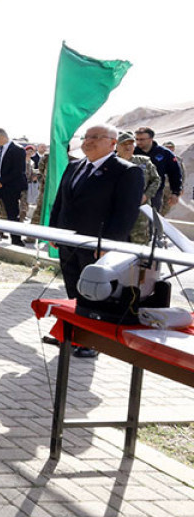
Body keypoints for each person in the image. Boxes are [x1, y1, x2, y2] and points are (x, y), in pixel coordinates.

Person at [50, 124, 145, 355]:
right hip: (68, 242)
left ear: (112, 143)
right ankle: (73, 333)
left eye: (96, 137)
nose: (88, 141)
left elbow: (125, 214)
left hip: (98, 246)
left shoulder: (126, 171)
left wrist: (108, 245)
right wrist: (53, 231)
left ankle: (92, 341)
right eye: (86, 137)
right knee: (73, 289)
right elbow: (61, 201)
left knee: (95, 295)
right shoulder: (74, 166)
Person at [115, 131, 161, 244]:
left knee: (140, 242)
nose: (128, 147)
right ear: (117, 147)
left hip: (140, 209)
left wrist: (146, 196)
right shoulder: (111, 163)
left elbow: (156, 180)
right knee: (116, 241)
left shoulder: (144, 161)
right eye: (124, 144)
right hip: (117, 210)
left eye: (130, 143)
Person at [134, 127, 183, 212]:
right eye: (137, 139)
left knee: (153, 217)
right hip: (134, 192)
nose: (138, 142)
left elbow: (175, 173)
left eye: (142, 139)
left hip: (155, 193)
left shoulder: (165, 153)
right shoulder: (132, 152)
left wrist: (175, 192)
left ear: (151, 139)